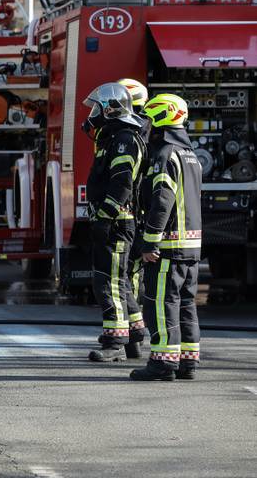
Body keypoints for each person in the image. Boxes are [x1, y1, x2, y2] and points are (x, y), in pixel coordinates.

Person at [130, 94, 202, 381]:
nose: (146, 127)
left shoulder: (165, 155)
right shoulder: (191, 155)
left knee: (160, 303)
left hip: (167, 248)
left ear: (161, 120)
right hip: (191, 248)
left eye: (149, 120)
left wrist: (150, 242)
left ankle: (162, 362)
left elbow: (162, 202)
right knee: (186, 304)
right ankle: (187, 361)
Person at [82, 83, 146, 362]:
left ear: (110, 109)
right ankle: (133, 336)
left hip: (117, 223)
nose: (93, 113)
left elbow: (122, 184)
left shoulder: (124, 139)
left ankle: (115, 341)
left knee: (109, 283)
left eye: (98, 108)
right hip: (115, 221)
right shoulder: (114, 137)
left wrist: (105, 217)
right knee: (119, 281)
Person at [117, 78, 150, 357]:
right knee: (131, 278)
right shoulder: (146, 129)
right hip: (139, 215)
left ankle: (134, 338)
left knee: (126, 277)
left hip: (132, 216)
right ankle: (133, 342)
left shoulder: (130, 133)